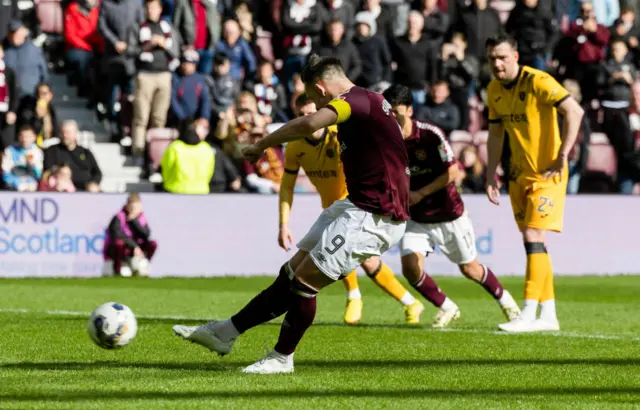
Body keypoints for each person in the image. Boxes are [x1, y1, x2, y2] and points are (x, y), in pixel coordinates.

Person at [173, 55, 410, 374]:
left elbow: (310, 123)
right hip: (355, 205)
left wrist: (263, 144)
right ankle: (224, 333)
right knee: (292, 271)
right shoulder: (368, 99)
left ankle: (282, 357)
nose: (313, 106)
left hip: (374, 214)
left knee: (304, 282)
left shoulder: (352, 101)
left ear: (321, 89)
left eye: (312, 99)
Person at [382, 84, 520, 328]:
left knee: (470, 269)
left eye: (396, 111)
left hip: (448, 214)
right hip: (416, 218)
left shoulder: (430, 134)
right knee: (410, 268)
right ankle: (447, 306)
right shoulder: (386, 140)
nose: (391, 117)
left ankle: (508, 303)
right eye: (387, 112)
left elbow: (453, 172)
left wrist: (420, 193)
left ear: (410, 110)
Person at [280, 94, 424, 324]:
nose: (309, 120)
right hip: (332, 207)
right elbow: (286, 187)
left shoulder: (339, 136)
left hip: (357, 205)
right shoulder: (295, 146)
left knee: (353, 256)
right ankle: (410, 303)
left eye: (312, 114)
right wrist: (284, 224)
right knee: (367, 261)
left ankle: (355, 296)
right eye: (302, 116)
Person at [484, 34, 584, 332]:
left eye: (502, 57)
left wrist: (563, 154)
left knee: (532, 236)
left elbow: (574, 111)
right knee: (537, 243)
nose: (497, 63)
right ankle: (549, 315)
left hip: (548, 174)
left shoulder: (538, 81)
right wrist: (491, 173)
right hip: (519, 175)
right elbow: (495, 135)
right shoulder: (493, 90)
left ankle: (527, 313)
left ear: (515, 56)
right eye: (492, 59)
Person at [103, 193, 157, 277]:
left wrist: (134, 221)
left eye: (136, 208)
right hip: (123, 250)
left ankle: (144, 263)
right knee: (119, 243)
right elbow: (116, 234)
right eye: (132, 208)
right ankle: (118, 267)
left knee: (153, 244)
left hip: (136, 251)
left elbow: (146, 234)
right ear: (127, 206)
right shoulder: (118, 217)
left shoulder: (141, 219)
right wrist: (134, 246)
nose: (134, 210)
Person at [2, 125, 43, 192]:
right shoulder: (10, 150)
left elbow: (38, 175)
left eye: (28, 136)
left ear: (34, 137)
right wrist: (17, 183)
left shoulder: (37, 152)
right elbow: (5, 174)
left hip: (32, 188)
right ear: (19, 137)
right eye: (22, 136)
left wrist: (32, 166)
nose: (25, 139)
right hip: (13, 188)